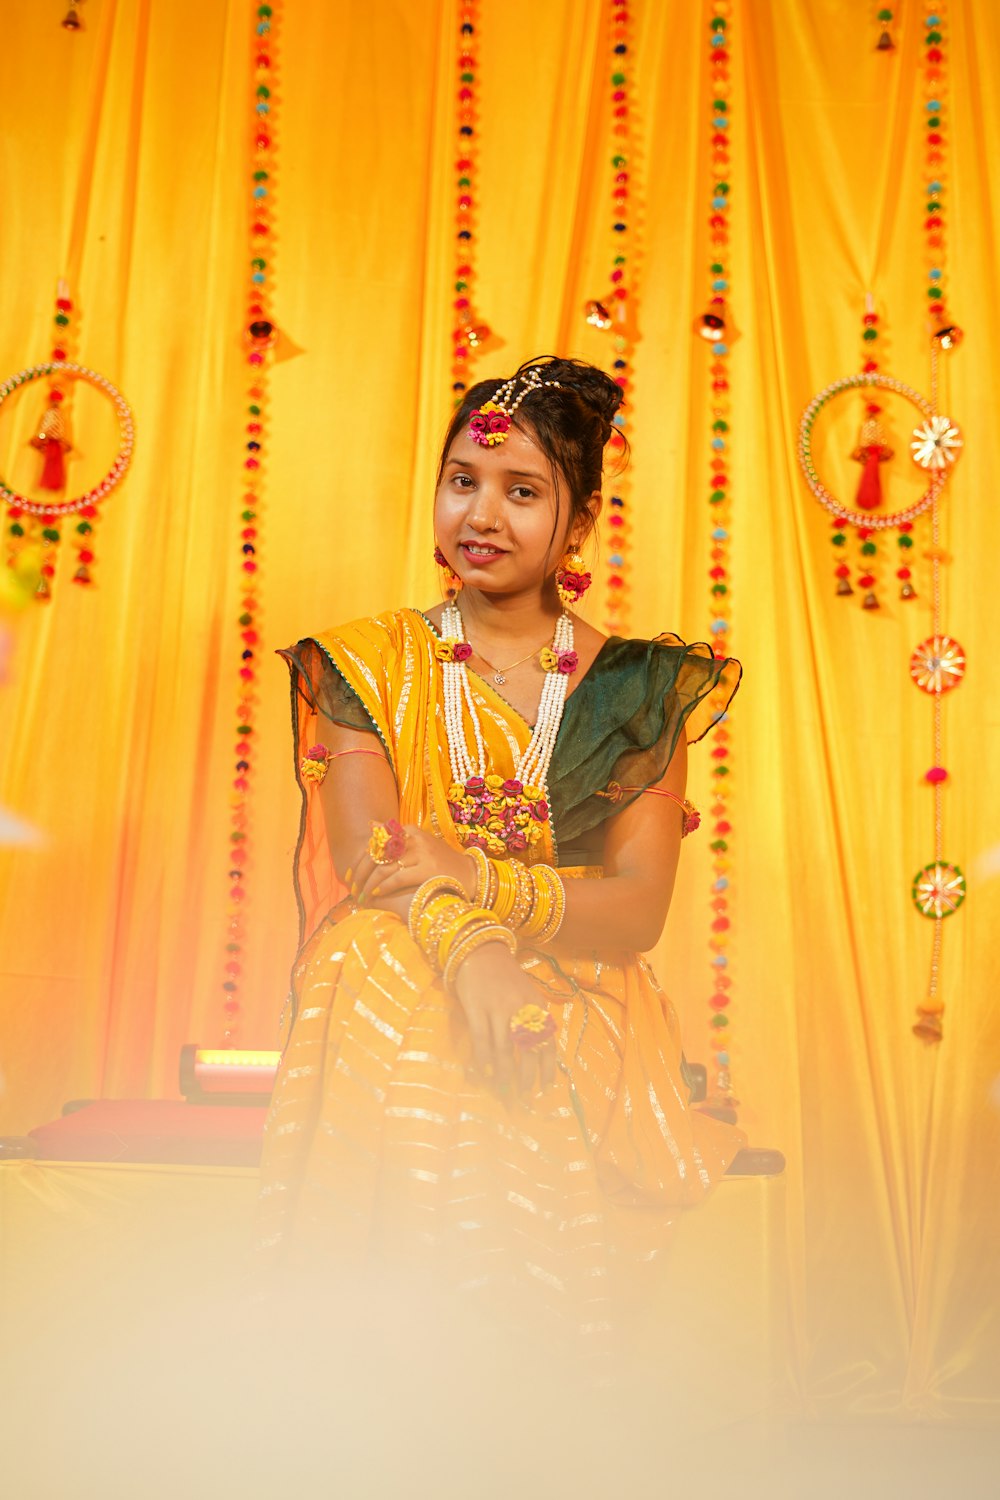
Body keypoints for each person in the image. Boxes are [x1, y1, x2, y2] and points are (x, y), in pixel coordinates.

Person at [257, 356, 744, 1352]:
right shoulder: (366, 661)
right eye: (462, 481)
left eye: (521, 492)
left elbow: (637, 911)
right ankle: (397, 1367)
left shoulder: (636, 689)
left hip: (583, 1002)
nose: (481, 514)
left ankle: (483, 1372)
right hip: (412, 973)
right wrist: (473, 948)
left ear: (579, 525)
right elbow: (367, 859)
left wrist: (473, 878)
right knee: (383, 960)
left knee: (465, 1009)